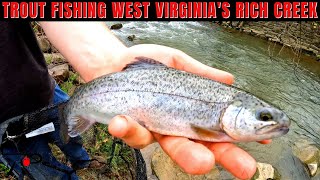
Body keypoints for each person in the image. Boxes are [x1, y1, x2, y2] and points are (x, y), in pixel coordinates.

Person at [0, 21, 270, 179]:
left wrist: (104, 55)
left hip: (46, 90)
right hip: (5, 127)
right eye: (263, 117)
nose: (265, 121)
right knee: (44, 169)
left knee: (72, 137)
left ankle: (82, 161)